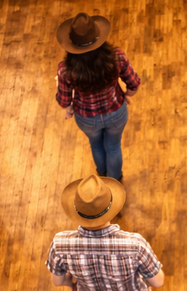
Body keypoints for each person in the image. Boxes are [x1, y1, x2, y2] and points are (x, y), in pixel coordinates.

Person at [56, 13, 140, 181]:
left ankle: (102, 175)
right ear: (99, 38)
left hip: (86, 117)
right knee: (114, 146)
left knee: (96, 144)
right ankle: (115, 181)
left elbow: (64, 100)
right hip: (116, 111)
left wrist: (70, 108)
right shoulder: (116, 57)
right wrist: (125, 95)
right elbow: (134, 83)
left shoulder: (65, 70)